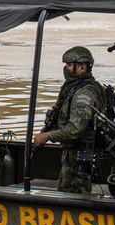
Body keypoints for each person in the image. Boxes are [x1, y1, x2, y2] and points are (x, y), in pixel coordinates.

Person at [33, 46, 106, 194]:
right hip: (73, 154)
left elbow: (75, 130)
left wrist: (48, 136)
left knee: (73, 195)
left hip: (79, 154)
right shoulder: (74, 87)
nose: (66, 69)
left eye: (69, 65)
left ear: (82, 67)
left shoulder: (83, 94)